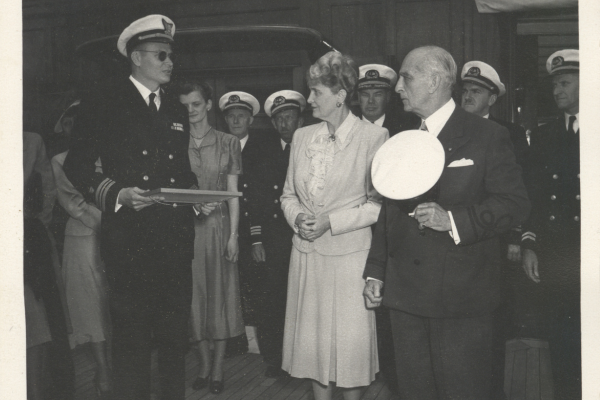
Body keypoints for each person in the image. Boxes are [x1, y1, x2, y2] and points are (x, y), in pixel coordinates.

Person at [363, 46, 530, 400]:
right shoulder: (402, 138)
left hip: (460, 299)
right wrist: (376, 271)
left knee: (463, 391)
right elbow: (389, 213)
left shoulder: (487, 136)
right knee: (413, 392)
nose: (398, 87)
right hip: (405, 297)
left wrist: (453, 220)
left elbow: (514, 204)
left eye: (407, 77)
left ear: (436, 81)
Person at [63, 15, 199, 400]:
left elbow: (179, 172)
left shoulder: (174, 107)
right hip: (130, 243)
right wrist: (117, 194)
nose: (169, 62)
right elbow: (76, 165)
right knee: (133, 343)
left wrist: (197, 199)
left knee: (175, 341)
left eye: (170, 55)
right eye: (161, 55)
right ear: (136, 58)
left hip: (174, 238)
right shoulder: (103, 100)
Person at [281, 51, 387, 400]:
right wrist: (298, 217)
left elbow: (376, 206)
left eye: (316, 92)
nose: (309, 99)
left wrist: (330, 222)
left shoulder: (374, 138)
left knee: (348, 352)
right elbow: (286, 196)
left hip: (349, 259)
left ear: (340, 96)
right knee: (313, 352)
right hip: (307, 257)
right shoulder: (301, 137)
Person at [460, 60, 531, 398]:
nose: (468, 97)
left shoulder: (510, 133)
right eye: (465, 91)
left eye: (476, 91)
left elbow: (521, 191)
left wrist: (517, 236)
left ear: (492, 98)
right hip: (460, 238)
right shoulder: (452, 131)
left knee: (494, 321)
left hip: (498, 240)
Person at [520, 49, 581, 400]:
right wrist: (530, 244)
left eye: (565, 83)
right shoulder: (544, 136)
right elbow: (535, 197)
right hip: (558, 254)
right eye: (555, 84)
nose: (557, 90)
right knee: (562, 338)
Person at [178, 81, 245, 395]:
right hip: (186, 230)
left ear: (207, 104)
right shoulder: (175, 141)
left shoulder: (228, 142)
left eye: (195, 104)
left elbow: (233, 193)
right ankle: (203, 363)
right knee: (193, 300)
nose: (190, 111)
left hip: (218, 227)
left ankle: (218, 368)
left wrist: (234, 235)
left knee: (219, 299)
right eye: (185, 106)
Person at [51, 108, 111, 398]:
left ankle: (118, 368)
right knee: (90, 310)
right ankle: (103, 370)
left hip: (116, 242)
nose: (74, 129)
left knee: (114, 307)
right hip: (83, 240)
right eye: (68, 124)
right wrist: (112, 223)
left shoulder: (108, 156)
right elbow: (74, 204)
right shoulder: (59, 161)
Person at [252, 90, 305, 378]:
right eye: (280, 119)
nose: (285, 124)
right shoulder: (263, 151)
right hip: (274, 237)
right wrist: (257, 238)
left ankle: (303, 360)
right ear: (273, 124)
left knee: (303, 299)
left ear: (300, 119)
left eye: (290, 118)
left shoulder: (312, 146)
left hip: (304, 234)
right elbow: (256, 197)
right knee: (273, 300)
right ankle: (276, 359)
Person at [218, 90, 264, 357]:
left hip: (253, 228)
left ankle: (254, 337)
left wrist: (257, 235)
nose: (236, 121)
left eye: (241, 117)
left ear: (250, 120)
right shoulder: (220, 145)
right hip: (225, 225)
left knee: (253, 282)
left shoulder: (262, 147)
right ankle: (234, 337)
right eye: (231, 117)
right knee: (229, 283)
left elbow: (258, 194)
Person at [357, 64, 404, 137]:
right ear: (358, 97)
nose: (371, 101)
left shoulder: (402, 129)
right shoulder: (348, 127)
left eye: (377, 95)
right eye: (365, 95)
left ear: (387, 97)